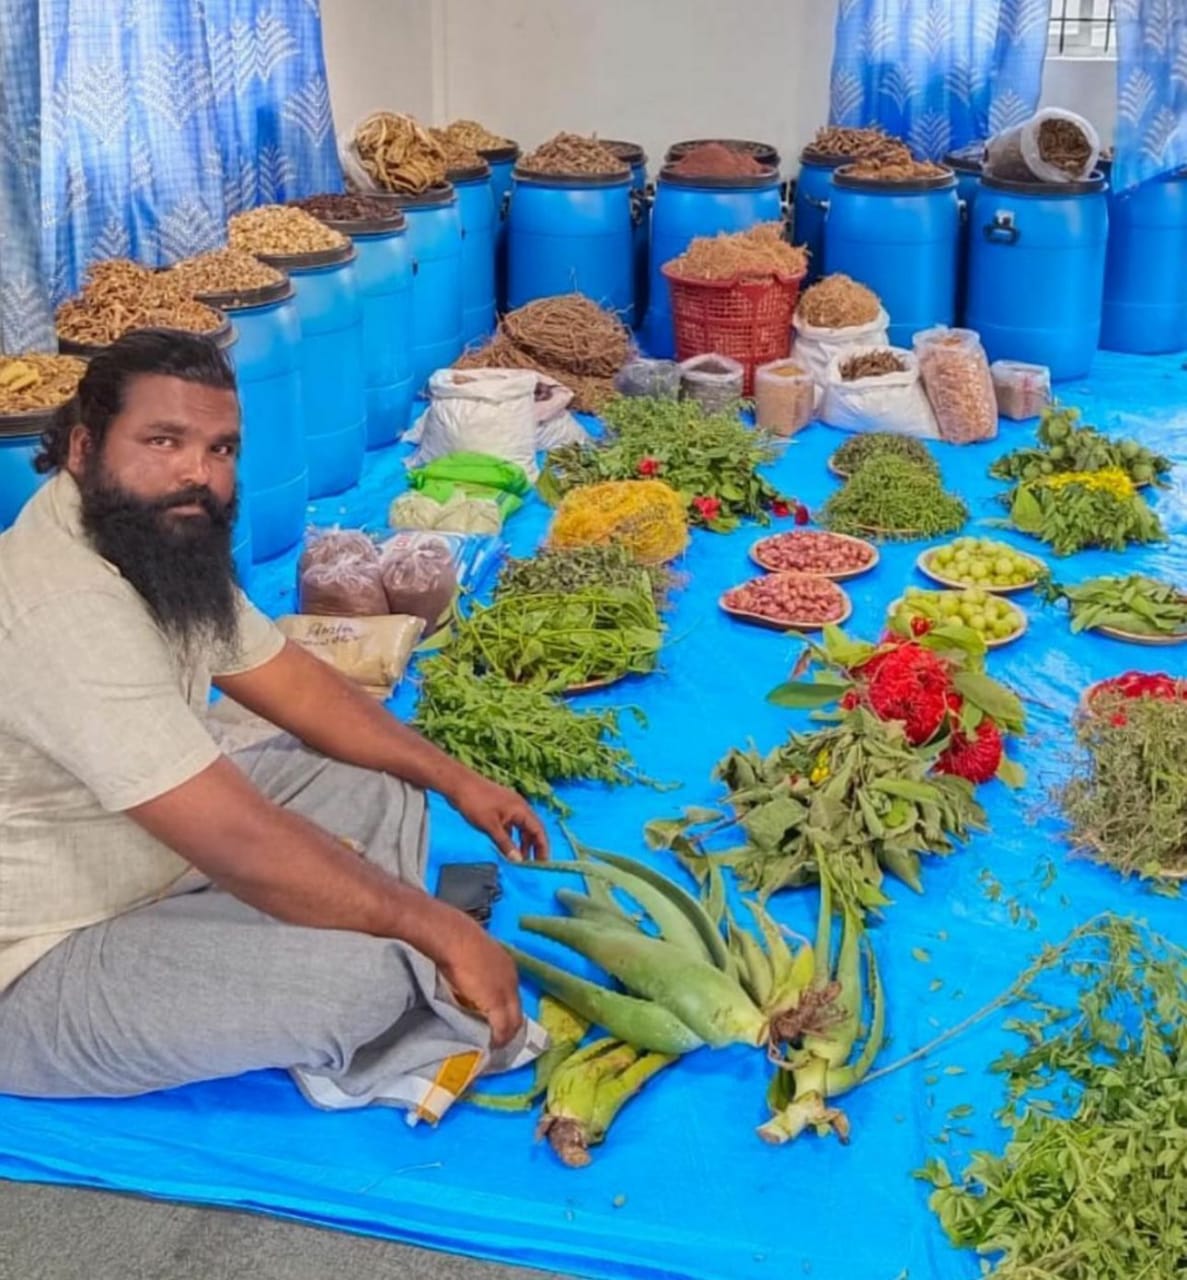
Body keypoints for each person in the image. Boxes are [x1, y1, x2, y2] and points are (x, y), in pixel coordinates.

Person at [0, 329, 550, 1119]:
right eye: (164, 440)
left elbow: (293, 682)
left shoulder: (150, 533)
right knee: (360, 986)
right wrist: (440, 930)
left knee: (380, 774)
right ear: (83, 448)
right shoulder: (65, 608)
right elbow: (235, 839)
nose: (199, 473)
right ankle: (351, 1024)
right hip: (39, 960)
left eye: (221, 449)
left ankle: (328, 946)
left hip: (149, 857)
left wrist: (458, 780)